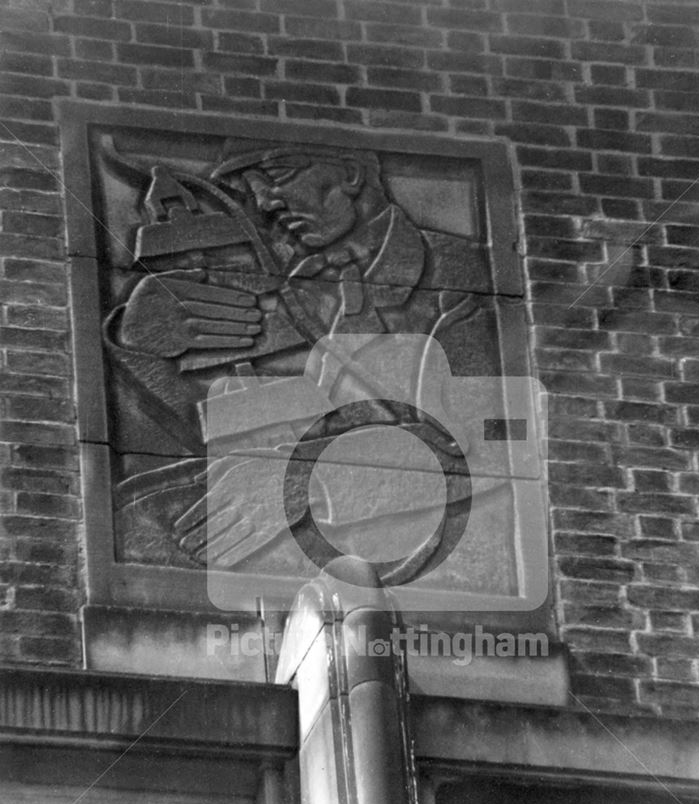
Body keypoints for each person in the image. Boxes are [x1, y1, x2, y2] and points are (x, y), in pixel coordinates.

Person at [105, 144, 502, 575]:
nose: (264, 203)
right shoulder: (285, 287)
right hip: (292, 546)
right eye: (251, 190)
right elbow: (211, 424)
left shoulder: (461, 277)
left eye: (276, 176)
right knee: (132, 521)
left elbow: (493, 447)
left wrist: (301, 480)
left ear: (350, 173)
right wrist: (141, 346)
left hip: (409, 551)